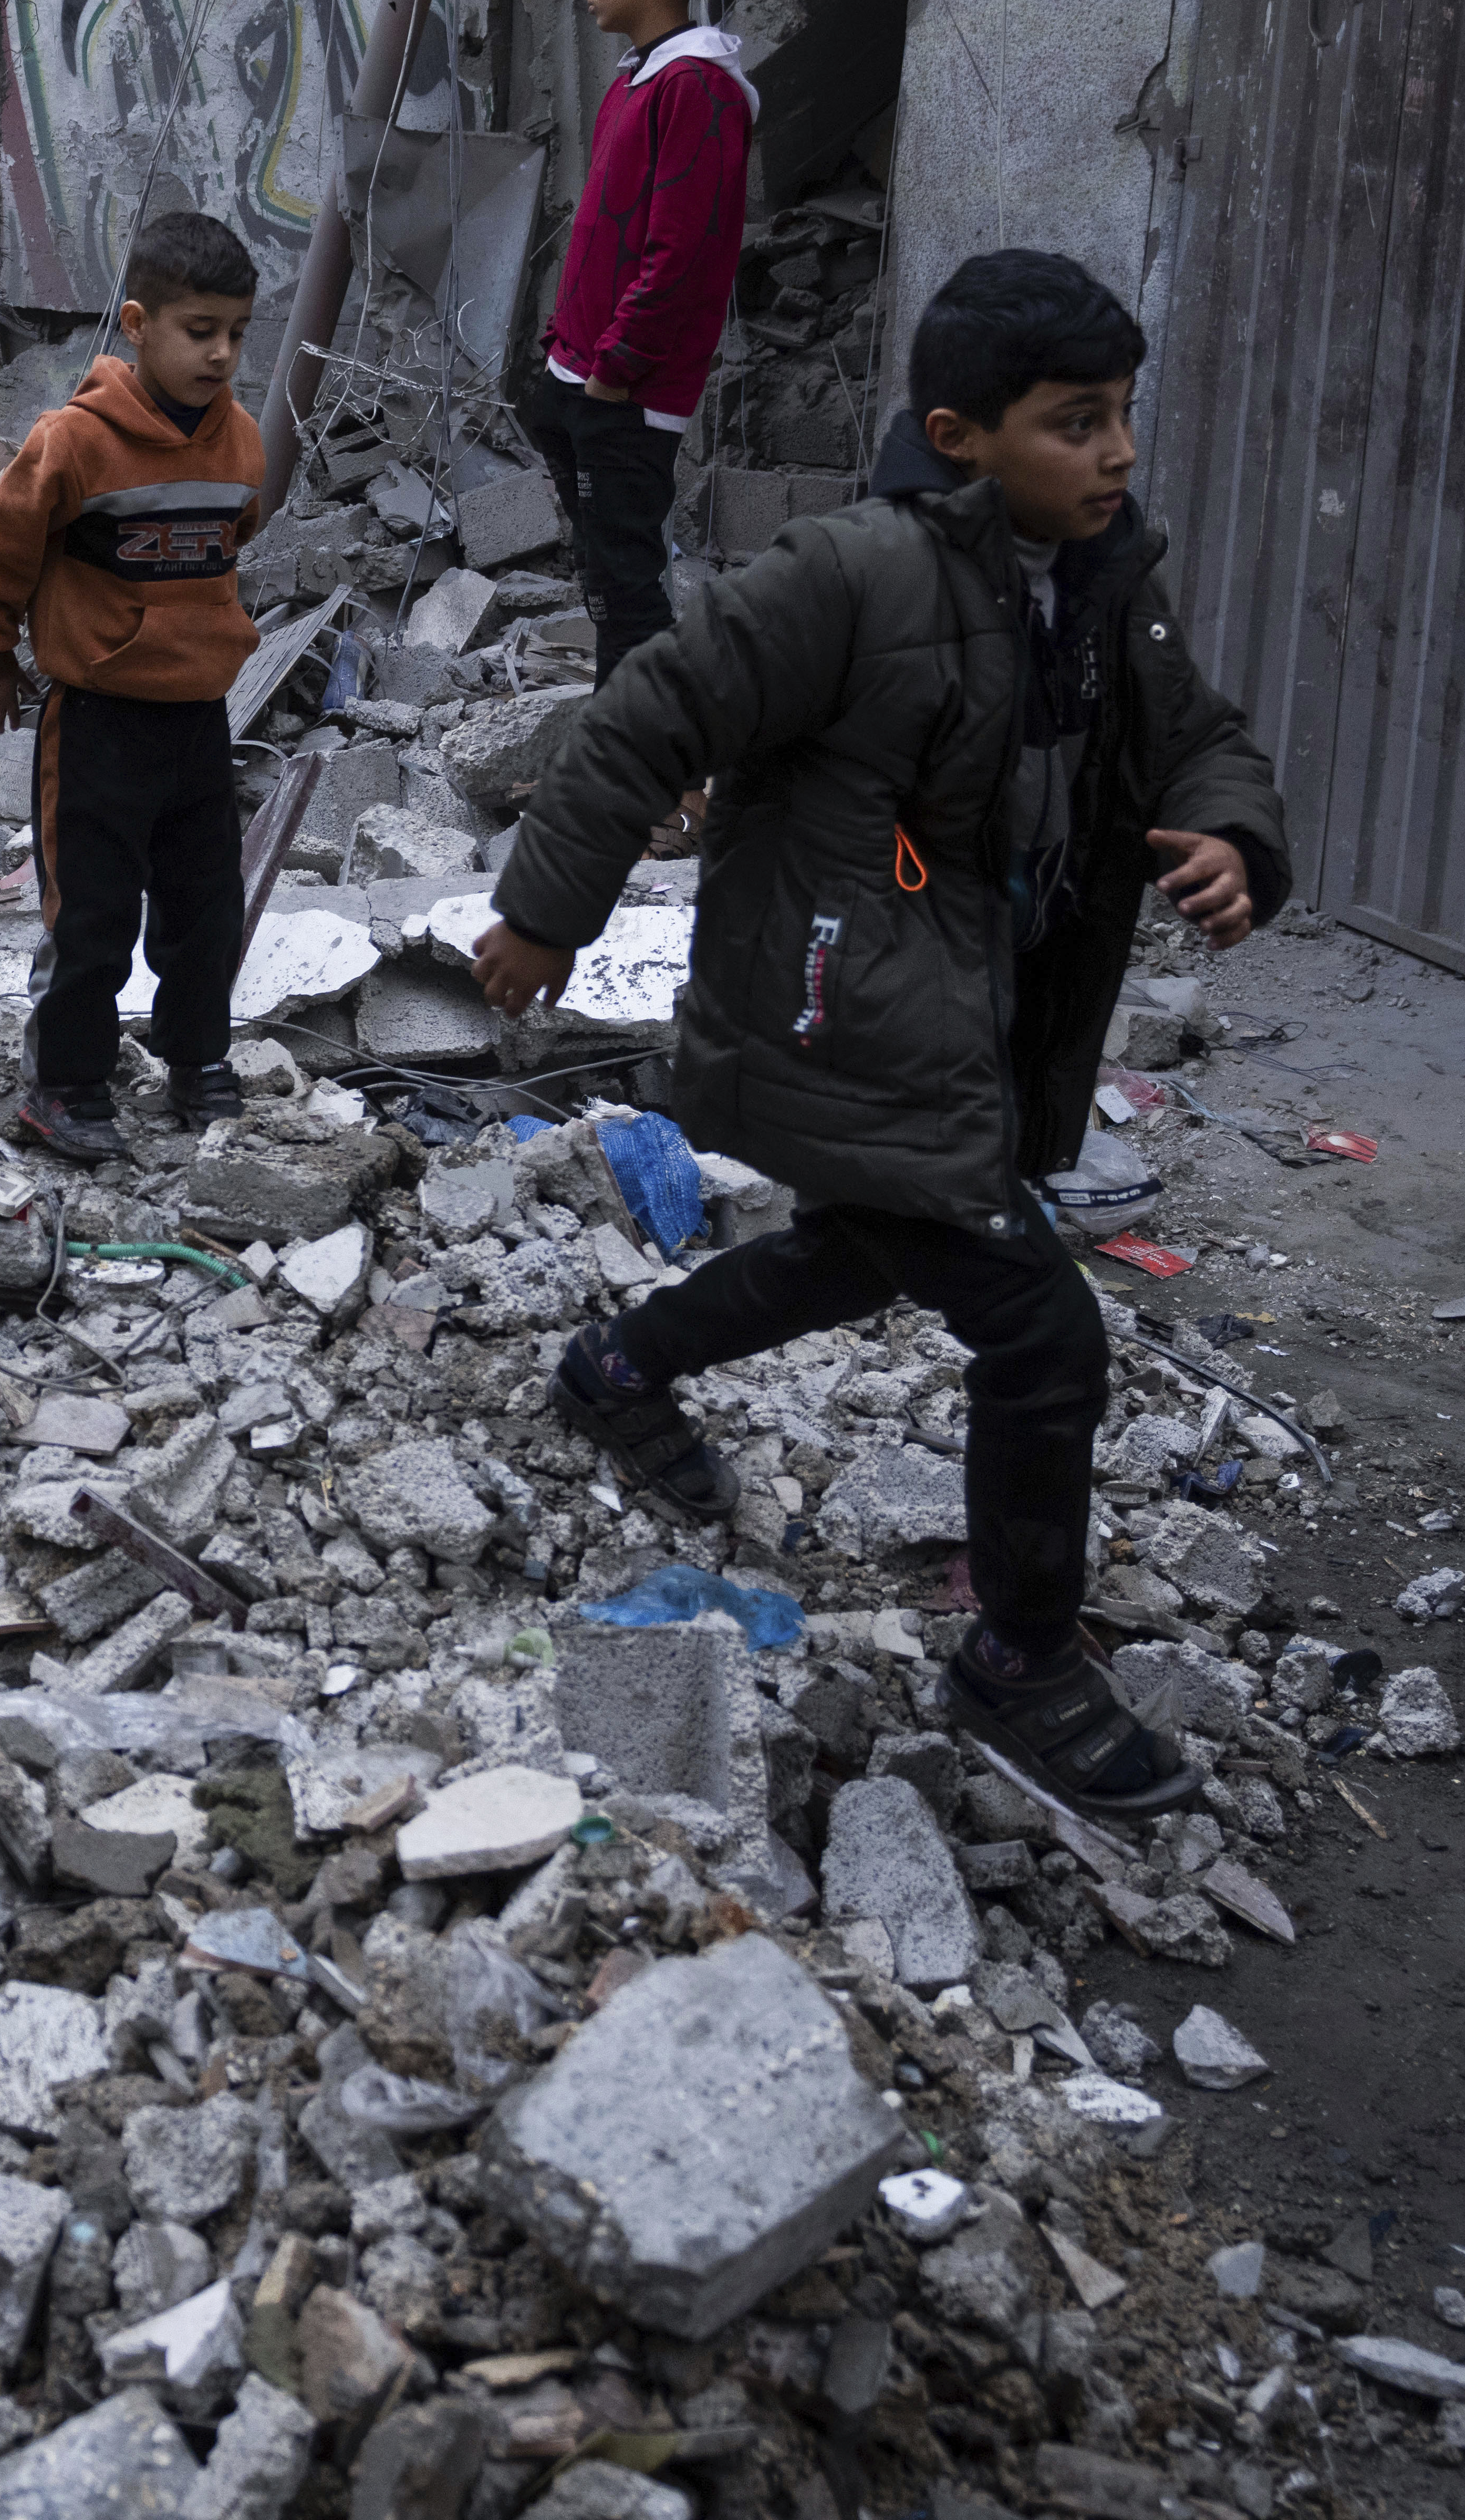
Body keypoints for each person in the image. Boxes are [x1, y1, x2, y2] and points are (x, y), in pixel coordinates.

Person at [471, 248, 1292, 1815]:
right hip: (849, 1010)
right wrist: (542, 917)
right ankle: (1020, 1663)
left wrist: (1227, 838)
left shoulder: (1110, 584)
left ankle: (617, 1368)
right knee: (1044, 1336)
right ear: (959, 433)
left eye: (1123, 417)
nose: (1116, 453)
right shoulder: (851, 577)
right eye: (1074, 423)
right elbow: (650, 711)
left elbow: (1202, 744)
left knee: (870, 1239)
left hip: (987, 1011)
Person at [0, 210, 269, 1164]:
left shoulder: (243, 443)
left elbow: (232, 544)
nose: (220, 354)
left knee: (206, 909)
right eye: (198, 331)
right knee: (90, 915)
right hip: (98, 723)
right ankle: (67, 1084)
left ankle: (196, 1061)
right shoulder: (74, 445)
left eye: (237, 335)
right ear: (138, 324)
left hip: (199, 724)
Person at [525, 0, 756, 686]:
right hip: (581, 373)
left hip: (623, 389)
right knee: (602, 575)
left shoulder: (700, 87)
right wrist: (564, 354)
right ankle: (618, 740)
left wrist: (618, 370)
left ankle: (645, 770)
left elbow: (682, 255)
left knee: (626, 586)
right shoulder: (639, 76)